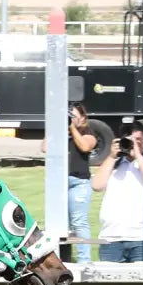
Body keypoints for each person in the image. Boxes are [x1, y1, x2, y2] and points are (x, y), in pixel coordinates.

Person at [91, 120, 143, 264]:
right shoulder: (113, 163)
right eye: (131, 140)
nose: (135, 143)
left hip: (142, 237)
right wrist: (112, 156)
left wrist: (138, 156)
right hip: (111, 237)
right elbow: (96, 185)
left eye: (138, 140)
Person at [66, 103, 97, 263]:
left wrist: (73, 128)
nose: (70, 119)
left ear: (83, 118)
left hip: (79, 183)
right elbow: (44, 147)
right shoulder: (63, 134)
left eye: (73, 116)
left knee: (79, 222)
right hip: (61, 185)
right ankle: (64, 260)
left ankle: (84, 261)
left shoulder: (88, 133)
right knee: (62, 224)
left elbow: (85, 146)